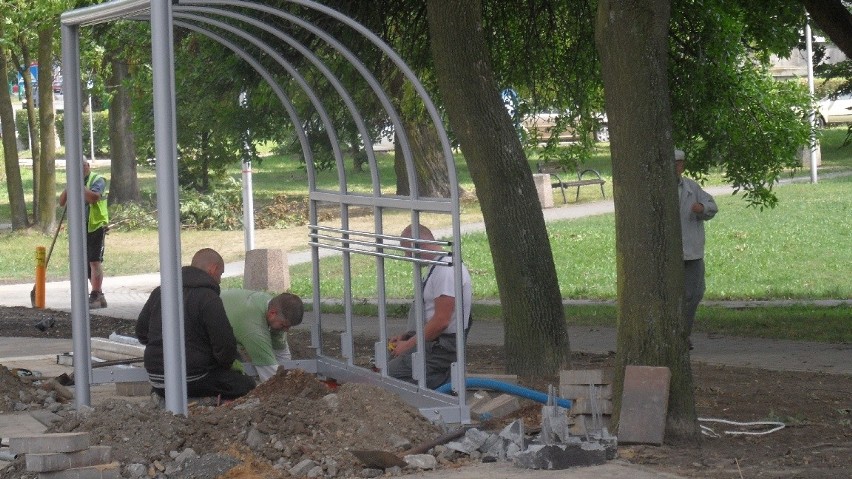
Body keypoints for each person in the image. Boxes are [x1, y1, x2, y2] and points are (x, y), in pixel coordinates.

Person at [135, 248, 255, 399]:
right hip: (193, 378)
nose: (219, 280)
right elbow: (224, 345)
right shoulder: (208, 297)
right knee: (246, 385)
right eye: (221, 274)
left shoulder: (160, 292)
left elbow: (141, 332)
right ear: (213, 269)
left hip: (157, 379)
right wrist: (226, 366)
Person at [387, 224, 473, 389]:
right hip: (436, 342)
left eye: (407, 251)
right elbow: (433, 315)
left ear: (419, 245)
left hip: (443, 348)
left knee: (391, 374)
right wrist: (408, 336)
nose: (407, 257)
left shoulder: (446, 270)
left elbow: (441, 321)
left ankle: (445, 384)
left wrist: (409, 344)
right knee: (387, 359)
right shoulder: (438, 266)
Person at [676, 149, 718, 347]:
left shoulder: (691, 187)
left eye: (680, 163)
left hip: (692, 251)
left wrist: (702, 208)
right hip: (670, 253)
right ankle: (677, 335)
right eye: (674, 163)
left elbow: (712, 206)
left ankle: (683, 334)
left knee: (695, 292)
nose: (677, 167)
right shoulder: (657, 188)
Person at [220, 289, 304, 382]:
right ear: (272, 313)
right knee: (238, 380)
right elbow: (271, 377)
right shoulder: (254, 328)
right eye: (284, 325)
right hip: (204, 334)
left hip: (224, 316)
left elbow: (282, 354)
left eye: (289, 326)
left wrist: (286, 373)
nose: (286, 330)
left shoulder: (270, 304)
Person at [59, 160, 109, 309]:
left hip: (95, 225)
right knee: (85, 263)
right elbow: (62, 202)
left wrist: (78, 185)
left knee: (94, 261)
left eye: (80, 167)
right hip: (79, 227)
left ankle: (95, 294)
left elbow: (93, 198)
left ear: (87, 166)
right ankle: (98, 295)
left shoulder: (97, 179)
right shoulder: (73, 181)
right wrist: (70, 186)